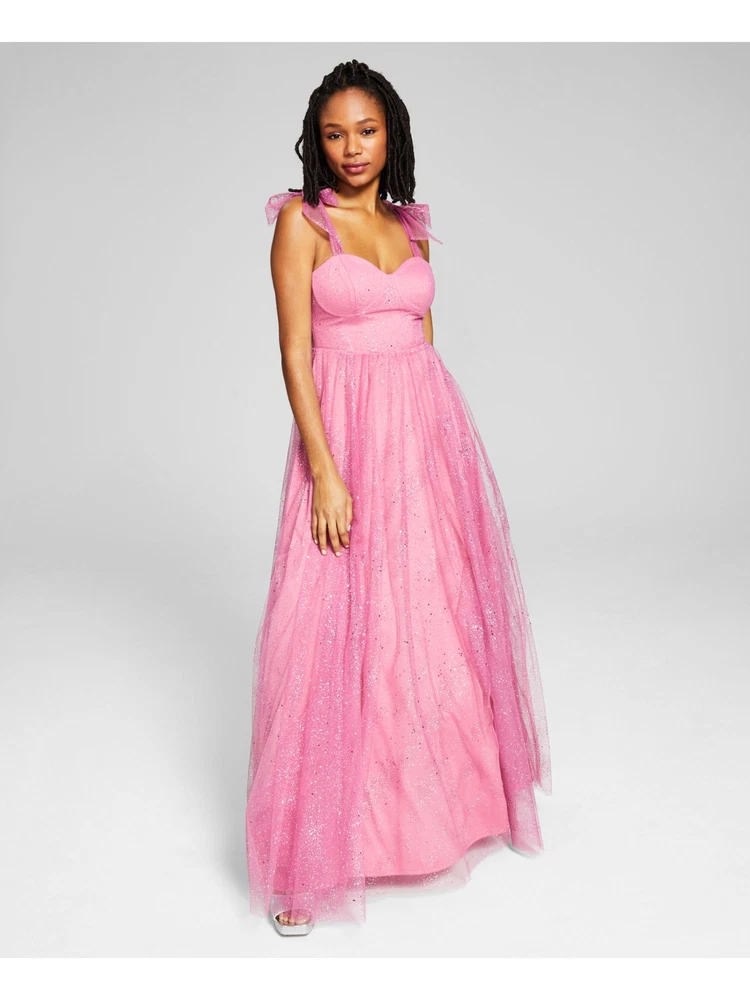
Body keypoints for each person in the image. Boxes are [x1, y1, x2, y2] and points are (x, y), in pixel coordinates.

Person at [246, 59, 551, 937]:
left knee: (423, 620)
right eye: (335, 133)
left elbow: (422, 337)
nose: (352, 148)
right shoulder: (302, 223)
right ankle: (306, 862)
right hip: (343, 435)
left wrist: (435, 453)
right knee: (322, 629)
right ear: (317, 141)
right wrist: (326, 469)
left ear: (392, 135)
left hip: (423, 435)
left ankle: (439, 816)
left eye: (367, 130)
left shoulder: (408, 223)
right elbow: (294, 354)